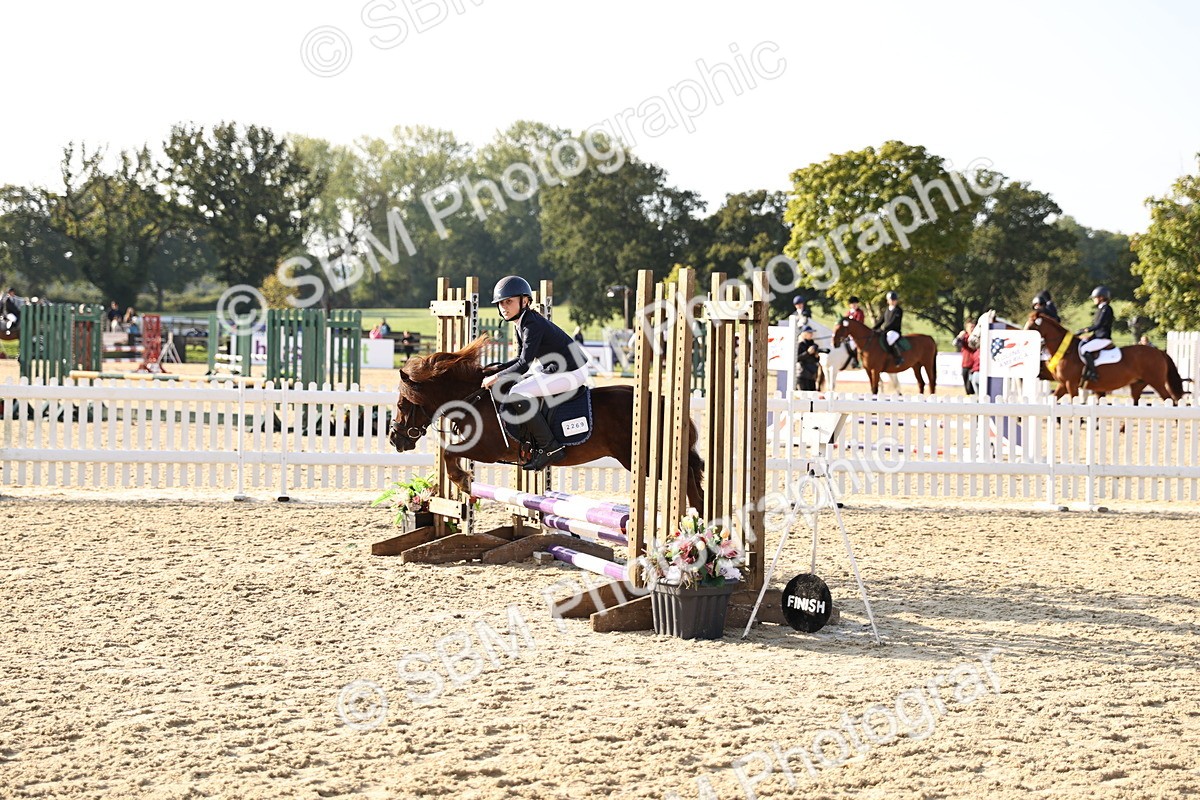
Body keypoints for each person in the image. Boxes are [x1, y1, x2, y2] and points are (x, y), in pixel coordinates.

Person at [481, 275, 590, 471]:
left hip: (572, 371)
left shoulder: (532, 324)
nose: (504, 307)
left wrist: (496, 377)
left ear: (525, 301)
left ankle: (551, 448)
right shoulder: (522, 322)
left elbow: (524, 364)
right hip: (558, 367)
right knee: (519, 385)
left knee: (517, 393)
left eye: (509, 301)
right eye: (501, 303)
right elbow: (519, 359)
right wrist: (495, 370)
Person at [1076, 285, 1115, 383]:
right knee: (1083, 343)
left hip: (1103, 338)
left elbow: (1099, 325)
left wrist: (1085, 330)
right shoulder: (1100, 308)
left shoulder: (1106, 309)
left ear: (1101, 297)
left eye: (1095, 297)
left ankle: (1093, 373)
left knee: (1084, 349)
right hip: (1098, 337)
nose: (1093, 299)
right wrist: (1090, 336)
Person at [875, 290, 904, 366]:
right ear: (888, 301)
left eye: (895, 300)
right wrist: (873, 329)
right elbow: (881, 321)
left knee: (889, 339)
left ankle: (899, 358)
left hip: (894, 331)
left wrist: (884, 329)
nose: (894, 301)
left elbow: (893, 322)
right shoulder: (886, 310)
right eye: (892, 300)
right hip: (886, 331)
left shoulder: (898, 310)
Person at [796, 326, 826, 391]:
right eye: (809, 332)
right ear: (803, 333)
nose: (811, 334)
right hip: (802, 375)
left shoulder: (813, 345)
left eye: (811, 333)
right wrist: (808, 352)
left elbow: (815, 360)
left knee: (812, 394)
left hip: (812, 375)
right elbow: (797, 358)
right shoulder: (800, 345)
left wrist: (817, 356)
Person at [953, 320, 978, 395]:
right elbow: (955, 343)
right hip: (966, 364)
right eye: (970, 327)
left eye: (973, 327)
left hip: (974, 366)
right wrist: (959, 336)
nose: (972, 329)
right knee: (966, 387)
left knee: (971, 386)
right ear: (966, 328)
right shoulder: (964, 337)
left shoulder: (977, 337)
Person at [845, 295, 865, 368]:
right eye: (852, 304)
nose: (854, 305)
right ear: (850, 305)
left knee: (853, 344)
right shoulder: (848, 313)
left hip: (858, 333)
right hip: (849, 333)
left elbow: (859, 323)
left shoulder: (860, 312)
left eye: (855, 303)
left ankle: (856, 361)